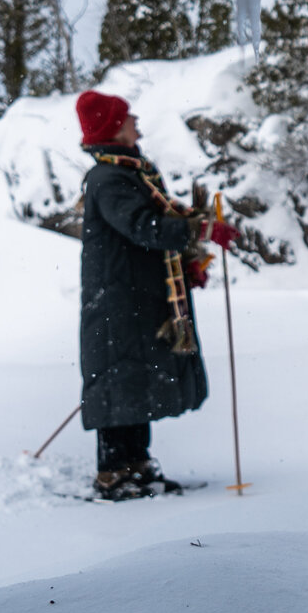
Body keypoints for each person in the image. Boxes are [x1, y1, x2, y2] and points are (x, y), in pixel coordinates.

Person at [73, 88, 235, 500]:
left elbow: (148, 230)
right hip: (116, 301)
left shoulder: (129, 172)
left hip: (134, 297)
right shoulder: (108, 179)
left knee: (134, 381)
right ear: (114, 128)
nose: (136, 124)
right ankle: (113, 473)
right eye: (129, 118)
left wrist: (184, 265)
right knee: (117, 381)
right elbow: (144, 227)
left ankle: (137, 466)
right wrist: (200, 230)